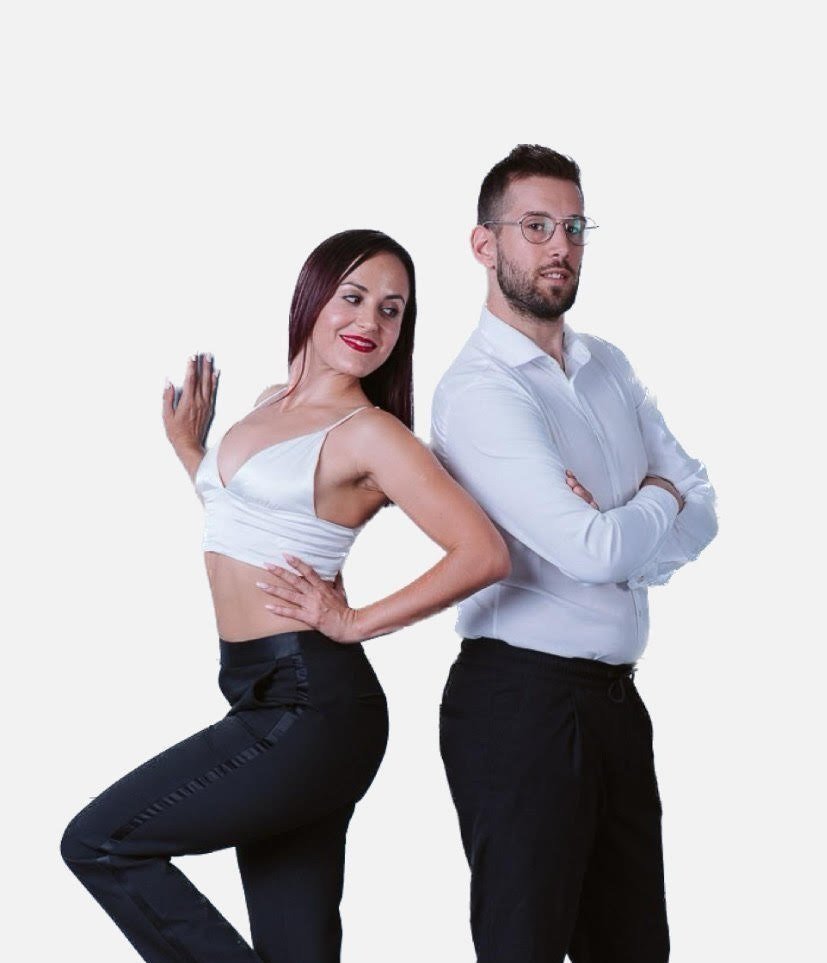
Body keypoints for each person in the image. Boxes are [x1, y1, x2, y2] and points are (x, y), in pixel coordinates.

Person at [60, 229, 510, 963]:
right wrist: (191, 452)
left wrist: (354, 619)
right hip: (259, 692)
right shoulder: (270, 403)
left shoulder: (372, 435)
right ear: (313, 295)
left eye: (391, 310)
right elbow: (247, 523)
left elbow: (483, 552)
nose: (370, 322)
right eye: (353, 298)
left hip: (310, 702)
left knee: (101, 843)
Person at [431, 146, 718, 963]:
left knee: (634, 949)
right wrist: (654, 496)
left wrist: (633, 526)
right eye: (535, 226)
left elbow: (704, 505)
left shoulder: (606, 365)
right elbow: (593, 549)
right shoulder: (480, 391)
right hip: (521, 706)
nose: (559, 246)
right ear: (484, 244)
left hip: (615, 704)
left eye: (573, 227)